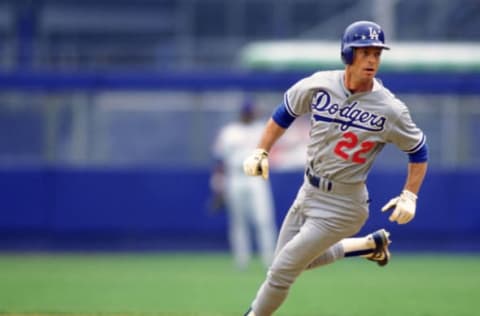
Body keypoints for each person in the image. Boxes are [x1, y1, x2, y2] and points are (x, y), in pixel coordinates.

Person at [242, 20, 428, 316]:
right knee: (294, 261)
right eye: (364, 51)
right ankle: (367, 246)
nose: (371, 59)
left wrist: (410, 195)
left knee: (281, 271)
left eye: (377, 53)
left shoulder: (390, 108)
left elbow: (418, 150)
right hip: (308, 191)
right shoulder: (320, 84)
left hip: (344, 204)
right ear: (347, 54)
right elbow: (284, 113)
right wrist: (261, 149)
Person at [210, 98, 277, 270]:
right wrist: (218, 187)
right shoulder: (229, 131)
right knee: (238, 221)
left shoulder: (262, 128)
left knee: (263, 219)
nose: (250, 114)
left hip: (256, 176)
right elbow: (220, 161)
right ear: (242, 113)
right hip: (235, 177)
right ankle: (241, 260)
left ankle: (269, 258)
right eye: (248, 111)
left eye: (252, 111)